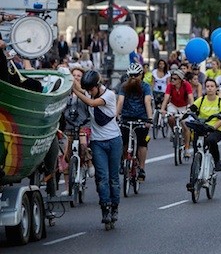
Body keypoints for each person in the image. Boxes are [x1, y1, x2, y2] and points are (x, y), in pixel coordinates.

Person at [72, 70, 122, 226]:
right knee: (102, 178)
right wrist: (70, 80)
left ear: (98, 85)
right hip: (97, 141)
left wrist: (75, 91)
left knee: (113, 178)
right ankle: (105, 208)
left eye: (91, 89)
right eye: (88, 90)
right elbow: (82, 91)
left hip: (114, 140)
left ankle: (114, 206)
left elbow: (92, 103)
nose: (89, 92)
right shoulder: (89, 92)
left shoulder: (109, 95)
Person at [116, 63, 153, 181]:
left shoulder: (146, 87)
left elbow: (147, 102)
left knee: (142, 143)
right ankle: (124, 160)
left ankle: (141, 168)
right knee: (124, 141)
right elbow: (120, 102)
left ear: (141, 75)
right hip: (126, 118)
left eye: (136, 75)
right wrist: (116, 115)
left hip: (142, 118)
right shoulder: (124, 86)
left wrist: (150, 119)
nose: (133, 78)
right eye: (131, 75)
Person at [61, 66, 93, 196]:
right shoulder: (65, 92)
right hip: (68, 126)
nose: (75, 78)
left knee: (83, 143)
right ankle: (68, 187)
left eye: (78, 76)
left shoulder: (85, 92)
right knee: (66, 156)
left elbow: (84, 94)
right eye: (73, 75)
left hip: (83, 124)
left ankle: (89, 162)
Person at [189, 78, 221, 171]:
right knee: (196, 147)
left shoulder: (220, 101)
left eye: (212, 86)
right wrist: (186, 113)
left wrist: (213, 128)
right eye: (207, 86)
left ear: (216, 88)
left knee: (211, 140)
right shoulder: (201, 100)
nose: (209, 88)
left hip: (215, 129)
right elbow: (191, 109)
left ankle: (217, 161)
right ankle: (195, 172)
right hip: (202, 127)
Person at [160, 69, 194, 158]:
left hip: (184, 106)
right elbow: (166, 98)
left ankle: (186, 149)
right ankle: (174, 131)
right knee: (170, 118)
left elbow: (190, 97)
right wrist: (163, 109)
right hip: (173, 105)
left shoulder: (186, 85)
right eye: (172, 78)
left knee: (186, 126)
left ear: (180, 79)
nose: (172, 80)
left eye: (175, 79)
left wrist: (192, 108)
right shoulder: (170, 86)